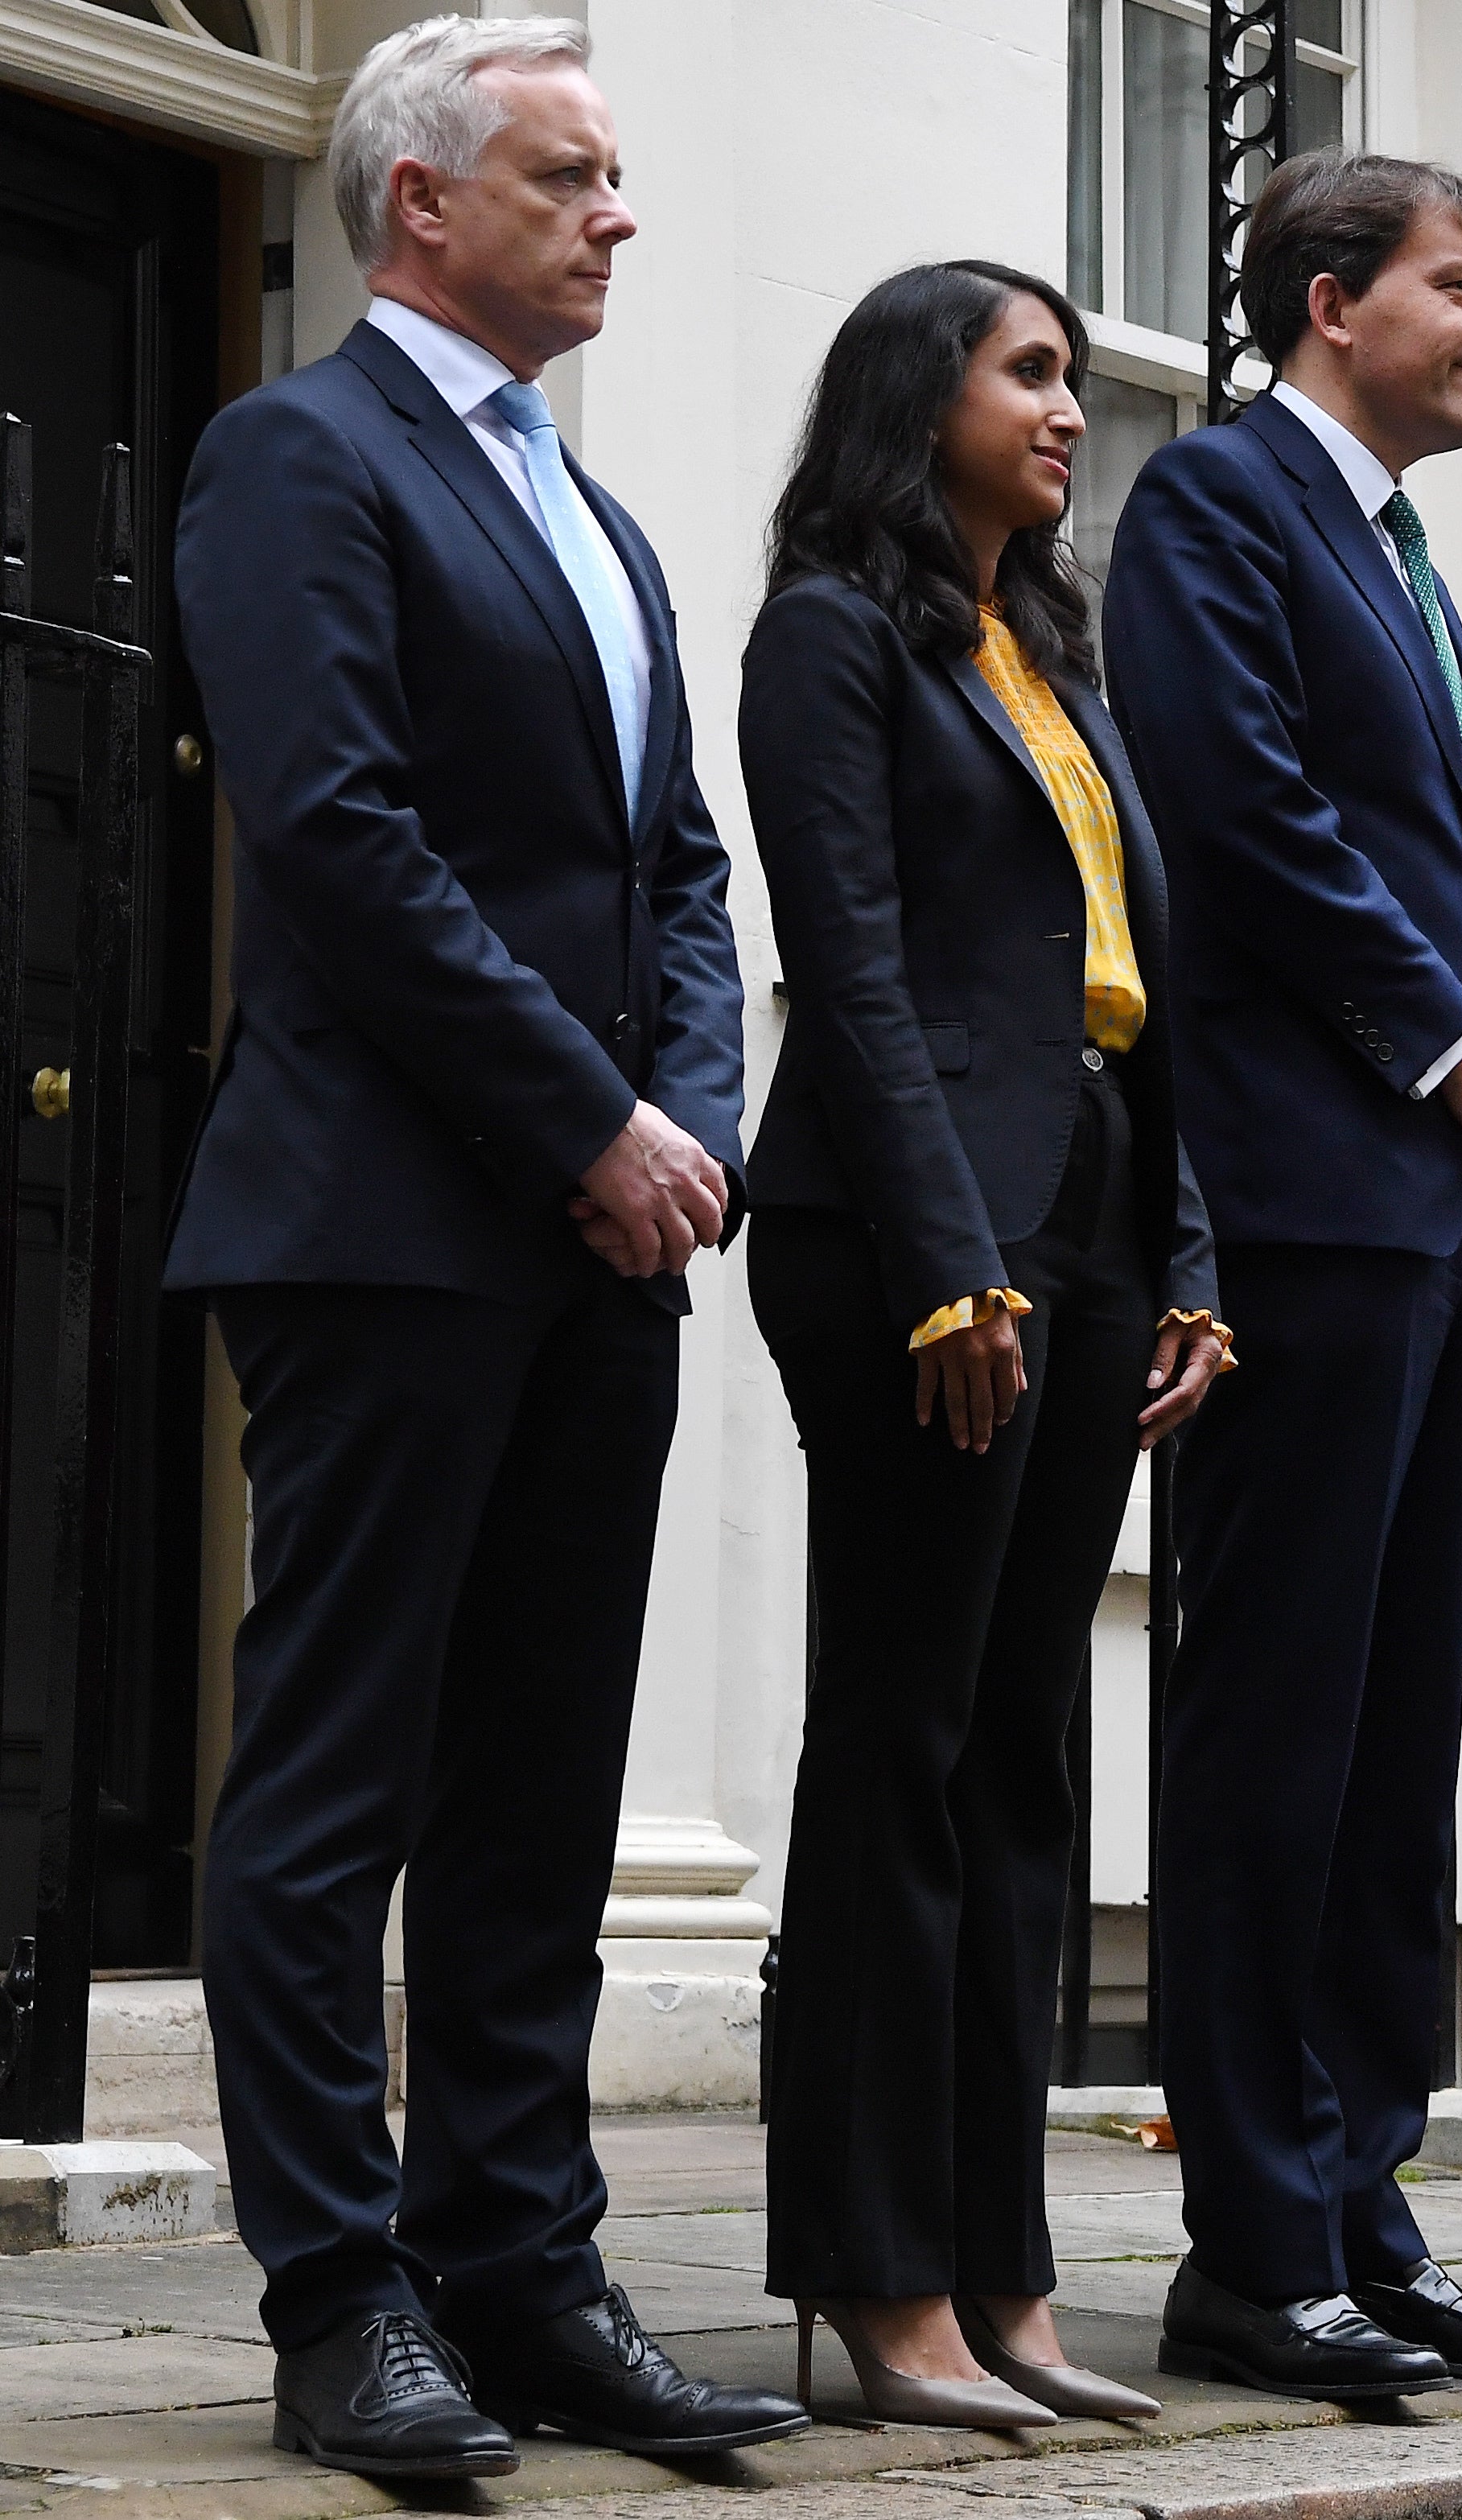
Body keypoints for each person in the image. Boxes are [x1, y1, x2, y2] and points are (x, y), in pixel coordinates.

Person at [163, 16, 805, 2477]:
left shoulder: (603, 517)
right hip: (385, 1218)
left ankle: (520, 2265)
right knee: (336, 1782)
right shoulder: (295, 455)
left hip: (603, 1241)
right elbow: (337, 833)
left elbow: (678, 865)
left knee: (540, 1788)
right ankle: (341, 2298)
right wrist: (591, 1114)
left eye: (626, 177)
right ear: (420, 203)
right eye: (572, 175)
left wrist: (690, 1129)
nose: (620, 212)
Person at [1099, 149, 1462, 2403]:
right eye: (1459, 288)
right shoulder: (1217, 508)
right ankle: (1250, 2236)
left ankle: (1366, 2197)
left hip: (1432, 1213)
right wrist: (1442, 1032)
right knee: (1275, 1724)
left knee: (1400, 1736)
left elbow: (1444, 844)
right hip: (1300, 1196)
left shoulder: (1406, 557)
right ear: (1325, 301)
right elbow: (1247, 811)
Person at [741, 261, 1225, 2427]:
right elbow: (844, 965)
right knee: (904, 1746)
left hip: (1097, 1207)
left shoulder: (1050, 649)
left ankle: (1003, 2272)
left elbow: (1128, 979)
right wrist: (951, 1261)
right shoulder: (828, 634)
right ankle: (876, 2277)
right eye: (1027, 370)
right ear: (908, 395)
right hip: (916, 1229)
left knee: (1026, 1759)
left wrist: (1186, 1246)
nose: (1066, 403)